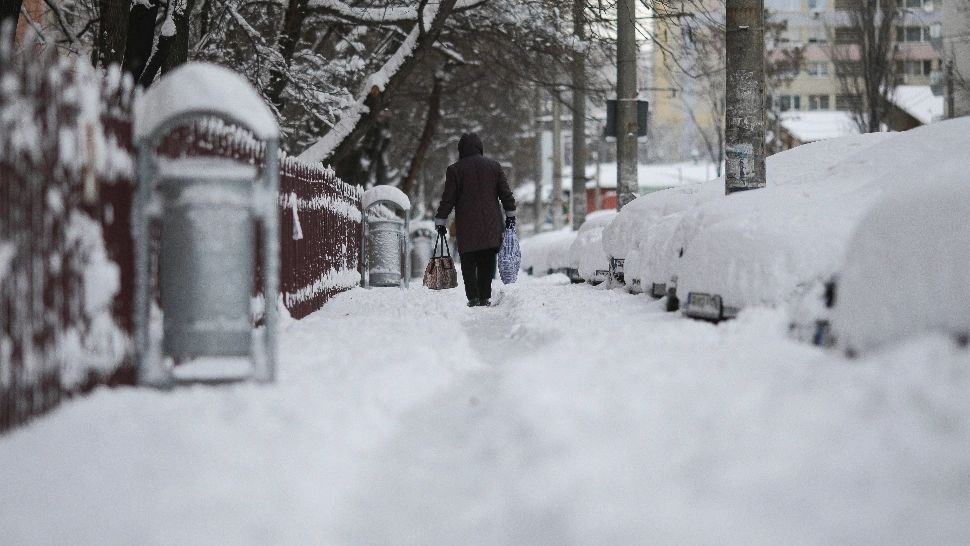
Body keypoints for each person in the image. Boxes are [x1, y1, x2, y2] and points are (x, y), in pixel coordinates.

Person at [434, 133, 516, 307]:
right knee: (487, 259)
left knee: (468, 261)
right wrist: (510, 216)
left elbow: (448, 199)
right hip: (490, 225)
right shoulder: (494, 167)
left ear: (461, 150)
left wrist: (441, 220)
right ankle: (485, 296)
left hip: (467, 226)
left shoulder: (455, 170)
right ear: (480, 147)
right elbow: (506, 194)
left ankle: (473, 297)